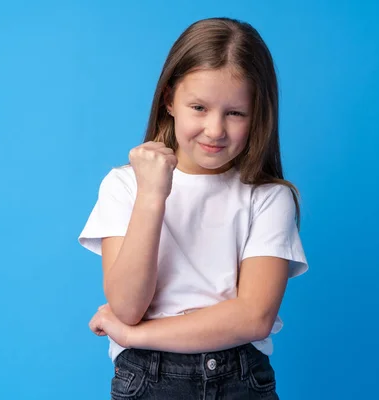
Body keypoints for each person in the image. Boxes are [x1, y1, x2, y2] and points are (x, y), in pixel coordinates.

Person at [78, 16, 308, 400]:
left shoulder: (268, 198)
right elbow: (127, 305)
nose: (215, 129)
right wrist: (153, 195)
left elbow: (254, 317)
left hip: (241, 379)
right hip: (147, 379)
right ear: (169, 99)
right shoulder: (125, 186)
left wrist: (137, 335)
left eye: (235, 113)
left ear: (258, 114)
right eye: (199, 107)